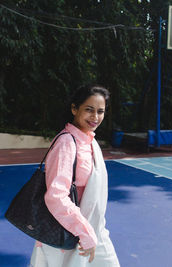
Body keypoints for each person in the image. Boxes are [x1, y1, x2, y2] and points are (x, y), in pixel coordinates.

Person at [30, 84, 120, 267]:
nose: (95, 117)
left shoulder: (89, 140)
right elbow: (56, 196)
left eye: (100, 111)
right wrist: (84, 233)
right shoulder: (66, 143)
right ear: (74, 108)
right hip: (69, 235)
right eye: (89, 110)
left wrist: (90, 233)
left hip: (95, 231)